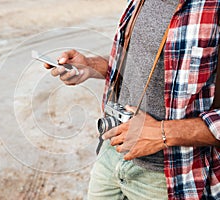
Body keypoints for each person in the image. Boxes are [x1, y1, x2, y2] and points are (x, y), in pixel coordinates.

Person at [44, 0, 220, 199]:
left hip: (167, 176)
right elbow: (139, 64)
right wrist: (90, 66)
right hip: (111, 154)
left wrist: (162, 133)